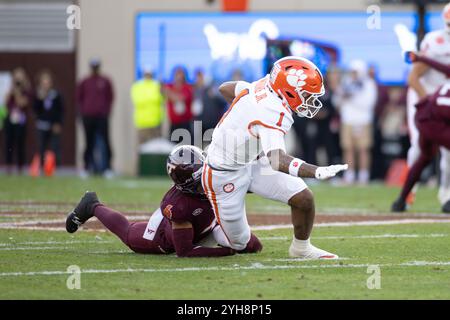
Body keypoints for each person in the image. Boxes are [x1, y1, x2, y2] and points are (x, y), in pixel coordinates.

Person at [205, 56, 348, 259]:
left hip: (252, 162)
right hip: (224, 174)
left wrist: (244, 120)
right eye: (306, 95)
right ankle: (203, 225)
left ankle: (301, 248)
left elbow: (226, 88)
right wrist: (316, 171)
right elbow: (277, 160)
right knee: (241, 244)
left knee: (303, 198)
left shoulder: (266, 86)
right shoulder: (272, 110)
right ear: (289, 90)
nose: (311, 101)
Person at [65, 145, 262, 257]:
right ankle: (92, 205)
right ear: (187, 183)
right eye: (199, 177)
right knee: (128, 233)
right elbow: (184, 251)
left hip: (210, 225)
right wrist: (224, 254)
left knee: (252, 246)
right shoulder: (179, 205)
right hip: (163, 238)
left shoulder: (211, 173)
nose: (206, 180)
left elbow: (236, 184)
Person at [392, 52, 450, 213]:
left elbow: (441, 67)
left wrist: (420, 58)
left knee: (424, 158)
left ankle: (400, 200)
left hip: (424, 115)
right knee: (424, 158)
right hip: (435, 119)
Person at [406, 3, 450, 211]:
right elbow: (414, 76)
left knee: (448, 150)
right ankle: (409, 191)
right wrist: (428, 102)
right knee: (419, 146)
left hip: (445, 101)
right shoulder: (435, 41)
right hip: (425, 98)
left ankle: (445, 194)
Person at [335, 60, 377, 185]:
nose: (353, 74)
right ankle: (349, 175)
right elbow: (337, 101)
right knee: (348, 149)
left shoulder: (369, 84)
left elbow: (368, 104)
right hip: (347, 120)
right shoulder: (345, 82)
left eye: (355, 72)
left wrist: (350, 97)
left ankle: (363, 176)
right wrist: (344, 97)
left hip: (363, 121)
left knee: (363, 149)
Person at [76, 58, 114, 177]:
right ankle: (87, 167)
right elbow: (79, 98)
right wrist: (82, 113)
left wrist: (106, 111)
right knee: (89, 142)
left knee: (105, 142)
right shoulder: (85, 81)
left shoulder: (105, 81)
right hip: (88, 116)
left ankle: (107, 167)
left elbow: (110, 97)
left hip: (101, 116)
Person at [33, 70, 64, 168]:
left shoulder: (56, 95)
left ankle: (56, 167)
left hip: (53, 124)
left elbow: (61, 110)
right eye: (44, 82)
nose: (46, 84)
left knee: (55, 146)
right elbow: (35, 109)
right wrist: (40, 99)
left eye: (48, 82)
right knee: (42, 147)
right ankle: (42, 166)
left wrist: (58, 123)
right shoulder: (38, 95)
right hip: (42, 124)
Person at [3, 68, 31, 174]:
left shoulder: (26, 91)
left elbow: (22, 103)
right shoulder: (10, 89)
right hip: (10, 119)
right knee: (9, 143)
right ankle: (8, 165)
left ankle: (20, 167)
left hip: (20, 120)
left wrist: (18, 92)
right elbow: (5, 102)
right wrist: (11, 91)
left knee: (20, 143)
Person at [193, 69, 227, 148]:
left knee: (211, 147)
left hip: (212, 124)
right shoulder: (196, 91)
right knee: (199, 147)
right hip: (200, 124)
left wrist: (214, 95)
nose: (199, 80)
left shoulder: (213, 90)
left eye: (200, 77)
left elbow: (223, 103)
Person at [130, 66, 164, 145]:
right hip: (142, 123)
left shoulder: (157, 85)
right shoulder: (138, 86)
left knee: (156, 148)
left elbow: (162, 99)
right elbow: (138, 100)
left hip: (155, 123)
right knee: (143, 148)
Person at [164, 66, 193, 144]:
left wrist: (170, 93)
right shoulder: (170, 86)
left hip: (185, 124)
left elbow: (180, 98)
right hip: (173, 124)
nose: (179, 77)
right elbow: (164, 91)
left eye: (181, 74)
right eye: (177, 74)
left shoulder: (187, 87)